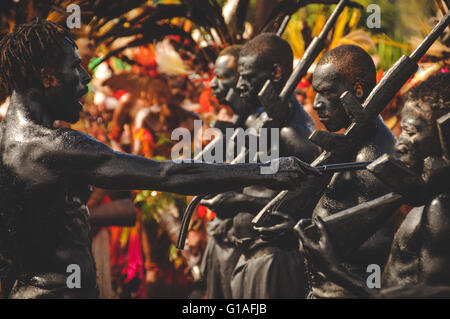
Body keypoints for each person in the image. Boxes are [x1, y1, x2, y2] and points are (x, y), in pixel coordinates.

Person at [0, 18, 315, 299]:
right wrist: (266, 171)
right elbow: (168, 175)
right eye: (75, 67)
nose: (86, 77)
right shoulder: (53, 147)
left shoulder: (9, 140)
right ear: (48, 77)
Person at [256, 44, 399, 298]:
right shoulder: (350, 144)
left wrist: (300, 234)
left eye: (326, 93)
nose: (317, 104)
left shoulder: (371, 155)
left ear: (357, 89)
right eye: (315, 93)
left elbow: (381, 241)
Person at [297, 73, 450, 298]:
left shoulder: (440, 208)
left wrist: (334, 270)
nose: (400, 143)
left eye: (410, 132)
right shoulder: (427, 198)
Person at [202, 33, 320, 299]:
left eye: (247, 77)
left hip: (274, 258)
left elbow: (306, 208)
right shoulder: (260, 123)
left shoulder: (294, 133)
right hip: (249, 254)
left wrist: (241, 202)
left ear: (276, 73)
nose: (240, 85)